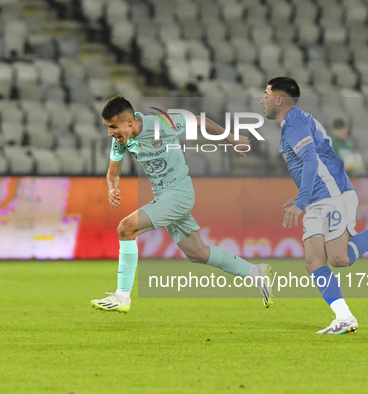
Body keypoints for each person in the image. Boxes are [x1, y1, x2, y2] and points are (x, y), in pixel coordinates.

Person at [260, 77, 368, 334]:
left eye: (266, 94)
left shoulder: (295, 123)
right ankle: (344, 317)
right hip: (316, 197)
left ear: (279, 99)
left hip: (333, 192)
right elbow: (309, 165)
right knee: (313, 260)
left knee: (339, 258)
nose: (262, 100)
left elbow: (311, 162)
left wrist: (301, 201)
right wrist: (303, 194)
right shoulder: (294, 123)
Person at [91, 96, 273, 313]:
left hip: (179, 193)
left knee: (126, 228)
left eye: (113, 127)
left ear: (129, 121)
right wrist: (112, 188)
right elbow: (113, 172)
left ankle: (123, 295)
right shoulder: (121, 140)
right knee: (199, 253)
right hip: (164, 196)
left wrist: (232, 138)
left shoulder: (161, 124)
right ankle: (255, 272)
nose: (110, 133)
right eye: (107, 128)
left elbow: (199, 121)